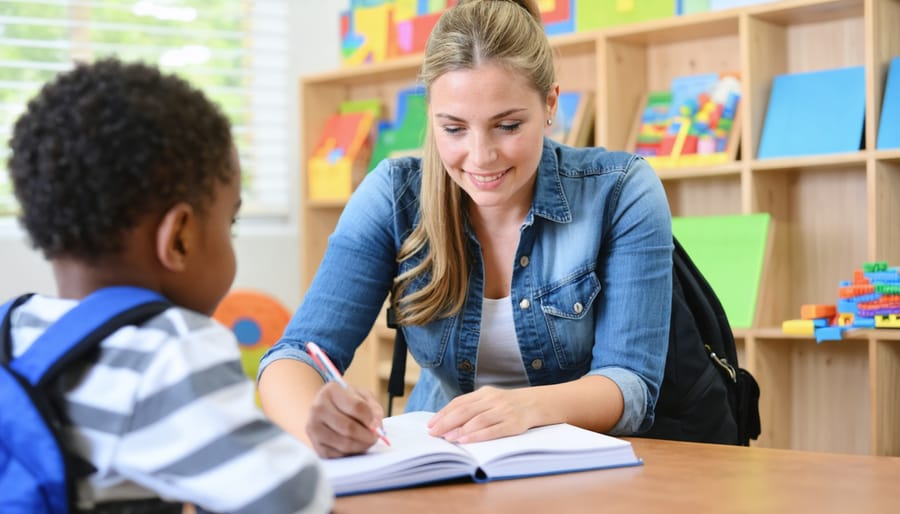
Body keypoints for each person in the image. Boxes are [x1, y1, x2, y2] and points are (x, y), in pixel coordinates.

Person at [258, 0, 673, 458]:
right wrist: (316, 422)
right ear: (430, 112)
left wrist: (527, 407)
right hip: (443, 463)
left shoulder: (621, 190)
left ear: (551, 103)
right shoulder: (394, 195)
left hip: (582, 471)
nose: (481, 156)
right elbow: (293, 355)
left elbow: (631, 387)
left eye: (507, 125)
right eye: (454, 128)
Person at [6, 58, 333, 513]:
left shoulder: (13, 326)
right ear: (179, 238)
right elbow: (294, 498)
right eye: (230, 222)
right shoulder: (168, 352)